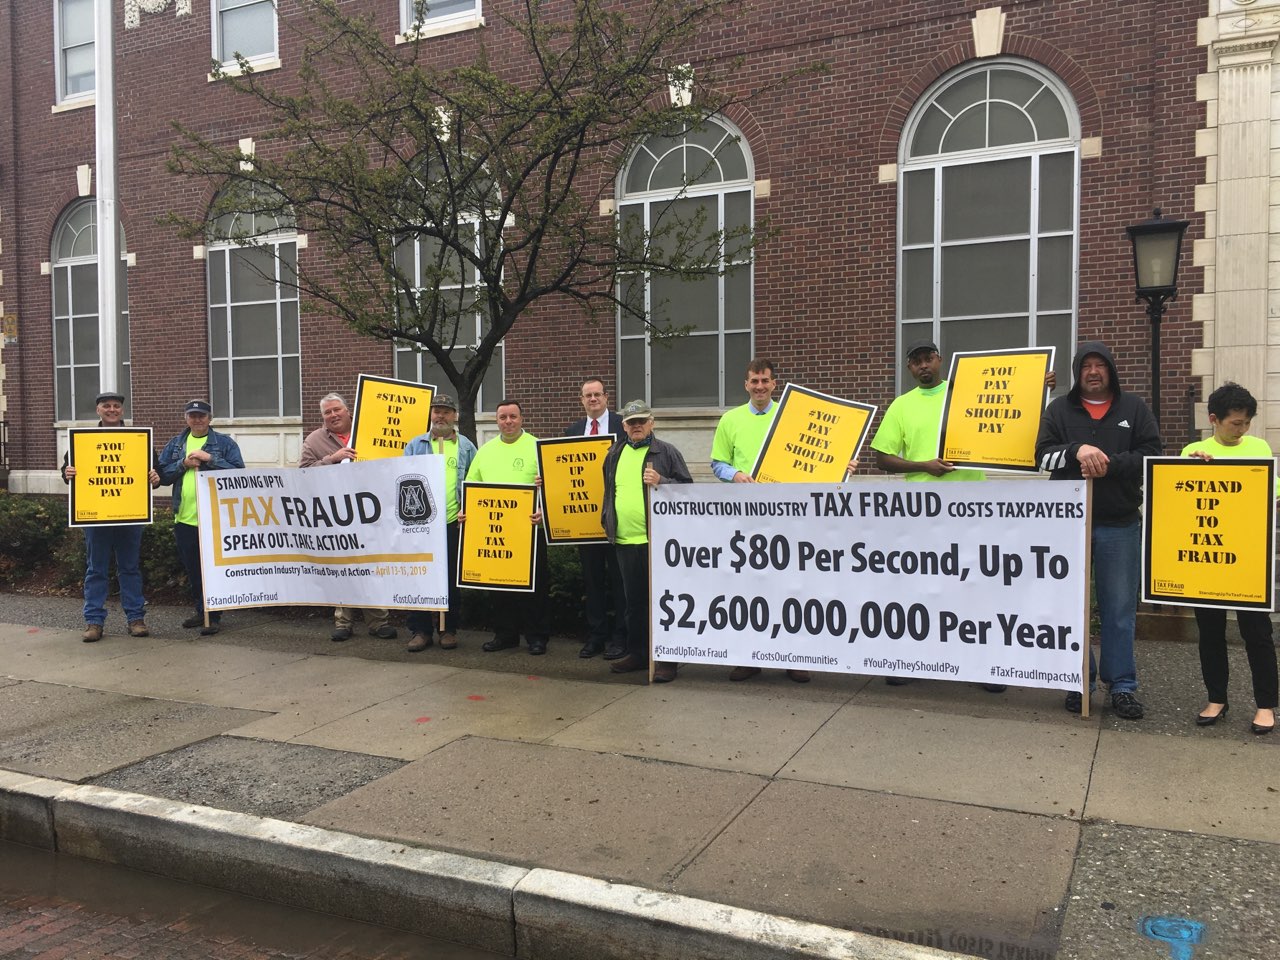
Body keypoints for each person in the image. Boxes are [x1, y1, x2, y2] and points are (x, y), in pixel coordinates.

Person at [1036, 341, 1162, 719]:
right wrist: (1076, 450)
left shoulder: (1134, 409)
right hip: (1069, 525)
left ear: (1111, 370)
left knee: (1119, 609)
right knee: (1072, 607)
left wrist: (1111, 464)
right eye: (1086, 365)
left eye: (1100, 365)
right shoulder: (1059, 410)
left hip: (1119, 523)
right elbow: (1041, 455)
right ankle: (1080, 682)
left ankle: (1122, 685)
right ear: (1078, 373)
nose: (1093, 371)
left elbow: (1152, 454)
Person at [871, 339, 1004, 693]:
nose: (923, 365)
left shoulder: (967, 393)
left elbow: (1010, 407)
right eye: (916, 362)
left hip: (970, 506)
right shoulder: (901, 406)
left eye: (928, 358)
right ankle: (914, 659)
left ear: (940, 361)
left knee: (973, 585)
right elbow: (882, 458)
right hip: (922, 512)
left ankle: (983, 666)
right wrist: (923, 466)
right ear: (910, 369)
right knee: (921, 587)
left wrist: (1040, 387)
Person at [712, 359, 854, 683]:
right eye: (754, 381)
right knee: (748, 589)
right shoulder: (730, 420)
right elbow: (717, 462)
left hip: (790, 518)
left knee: (792, 587)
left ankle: (793, 656)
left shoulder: (793, 417)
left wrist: (843, 464)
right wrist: (734, 474)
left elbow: (818, 455)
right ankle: (749, 657)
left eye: (765, 381)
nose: (760, 386)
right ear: (745, 385)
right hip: (746, 519)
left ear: (775, 384)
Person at [1180, 382, 1277, 735]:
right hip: (1208, 559)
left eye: (1247, 423)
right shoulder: (1193, 450)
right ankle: (1216, 698)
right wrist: (1193, 470)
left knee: (1258, 633)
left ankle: (1265, 705)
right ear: (1214, 420)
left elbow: (1272, 491)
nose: (1242, 430)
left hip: (1248, 557)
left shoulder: (1260, 448)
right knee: (1210, 631)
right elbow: (1179, 501)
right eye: (1236, 423)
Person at [601, 400, 693, 682]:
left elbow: (689, 491)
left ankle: (666, 659)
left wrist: (662, 481)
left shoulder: (666, 452)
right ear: (624, 426)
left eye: (641, 420)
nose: (636, 426)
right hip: (625, 542)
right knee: (635, 604)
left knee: (664, 602)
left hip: (658, 542)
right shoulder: (614, 453)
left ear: (652, 422)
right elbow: (609, 491)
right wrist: (608, 521)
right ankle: (638, 653)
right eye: (631, 422)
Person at [61, 390, 161, 642]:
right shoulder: (83, 439)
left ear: (122, 411)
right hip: (96, 516)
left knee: (129, 568)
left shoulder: (139, 439)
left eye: (116, 406)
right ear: (98, 410)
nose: (112, 410)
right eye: (107, 406)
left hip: (130, 514)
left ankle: (136, 619)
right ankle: (94, 622)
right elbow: (67, 469)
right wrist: (68, 472)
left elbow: (156, 471)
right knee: (96, 569)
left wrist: (156, 478)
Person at [300, 393, 396, 642]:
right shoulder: (314, 440)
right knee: (342, 568)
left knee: (370, 566)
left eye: (336, 410)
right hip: (338, 515)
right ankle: (343, 622)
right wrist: (331, 460)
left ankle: (378, 622)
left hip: (370, 512)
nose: (333, 415)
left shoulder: (370, 430)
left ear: (348, 410)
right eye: (327, 413)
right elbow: (302, 475)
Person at [463, 399, 550, 655]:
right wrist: (467, 514)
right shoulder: (485, 451)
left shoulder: (537, 447)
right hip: (496, 532)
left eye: (513, 416)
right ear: (496, 421)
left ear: (522, 418)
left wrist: (544, 512)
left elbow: (554, 487)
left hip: (531, 530)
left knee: (535, 587)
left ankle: (537, 637)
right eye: (503, 417)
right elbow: (471, 487)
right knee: (499, 587)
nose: (508, 421)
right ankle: (505, 635)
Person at [157, 399, 244, 636]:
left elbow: (239, 473)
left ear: (210, 418)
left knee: (213, 570)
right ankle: (201, 610)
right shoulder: (176, 444)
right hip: (185, 518)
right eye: (192, 415)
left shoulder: (224, 444)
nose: (197, 420)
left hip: (215, 518)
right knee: (194, 569)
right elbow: (162, 475)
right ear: (186, 418)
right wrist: (183, 464)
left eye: (202, 416)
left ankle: (213, 616)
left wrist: (210, 460)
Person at [402, 394, 476, 652]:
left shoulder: (466, 447)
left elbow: (475, 483)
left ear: (455, 416)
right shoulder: (416, 445)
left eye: (446, 411)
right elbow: (403, 480)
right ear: (430, 414)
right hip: (421, 524)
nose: (440, 416)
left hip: (453, 522)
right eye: (436, 411)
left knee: (450, 578)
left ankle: (448, 629)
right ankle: (420, 630)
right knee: (420, 577)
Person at [565, 377, 627, 660]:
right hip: (584, 522)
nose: (593, 399)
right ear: (582, 400)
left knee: (619, 580)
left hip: (616, 518)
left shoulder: (622, 427)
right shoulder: (573, 431)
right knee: (592, 581)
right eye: (587, 395)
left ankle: (620, 637)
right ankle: (596, 636)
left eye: (597, 395)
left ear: (606, 397)